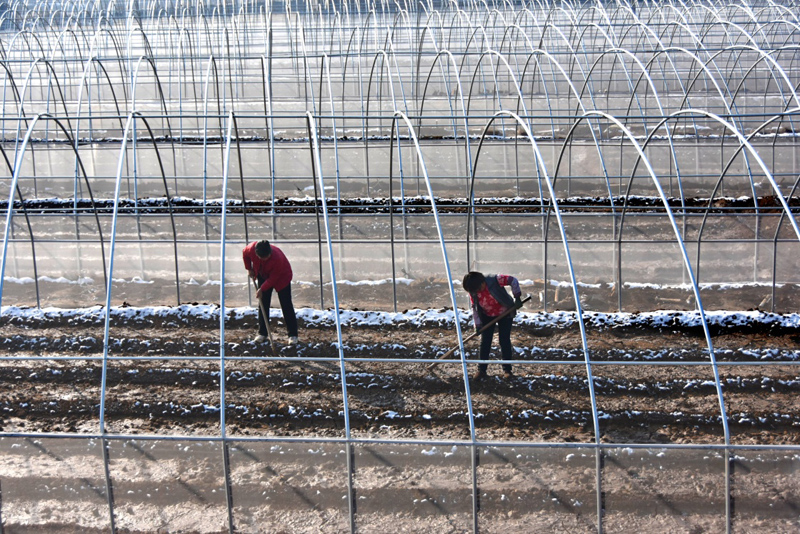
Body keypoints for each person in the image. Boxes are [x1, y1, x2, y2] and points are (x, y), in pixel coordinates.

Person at [462, 271, 523, 381]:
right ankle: (481, 370)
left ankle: (507, 370)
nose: (477, 292)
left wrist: (517, 297)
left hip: (505, 313)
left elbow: (513, 280)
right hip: (487, 315)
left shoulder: (495, 280)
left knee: (504, 340)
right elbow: (475, 308)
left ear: (482, 282)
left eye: (478, 289)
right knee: (485, 341)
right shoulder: (473, 291)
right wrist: (478, 325)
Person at [243, 239, 298, 345]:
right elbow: (245, 254)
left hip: (282, 277)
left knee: (286, 304)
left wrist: (262, 289)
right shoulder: (251, 249)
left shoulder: (277, 258)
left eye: (267, 257)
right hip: (263, 274)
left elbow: (273, 278)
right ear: (256, 254)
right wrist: (249, 268)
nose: (265, 259)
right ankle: (262, 333)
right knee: (263, 303)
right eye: (262, 257)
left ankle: (293, 335)